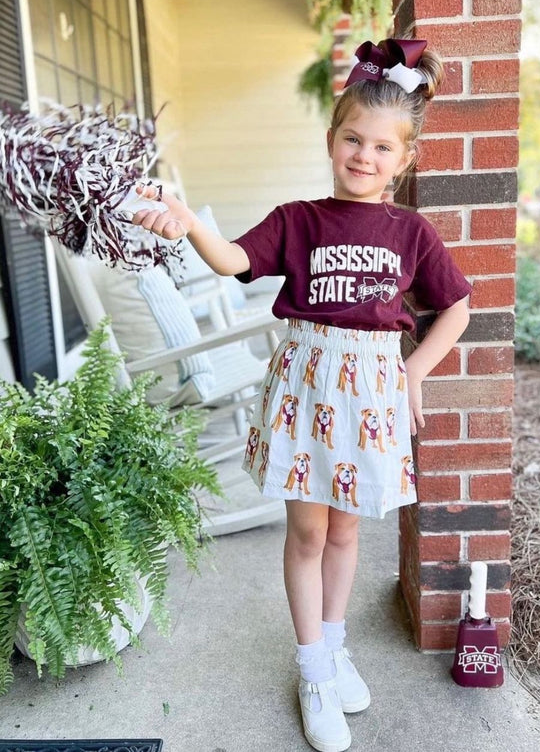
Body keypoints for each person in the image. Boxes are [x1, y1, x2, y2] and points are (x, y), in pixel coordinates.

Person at [132, 38, 471, 752]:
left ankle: (335, 644)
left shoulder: (410, 231)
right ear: (331, 139)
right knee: (309, 531)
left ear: (402, 160)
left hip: (373, 390)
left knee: (348, 531)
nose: (364, 156)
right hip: (309, 387)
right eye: (353, 138)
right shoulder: (299, 219)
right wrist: (191, 220)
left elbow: (458, 308)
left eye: (382, 147)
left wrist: (414, 372)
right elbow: (231, 262)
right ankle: (312, 667)